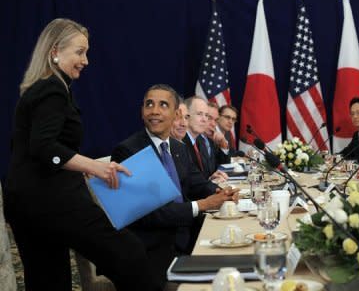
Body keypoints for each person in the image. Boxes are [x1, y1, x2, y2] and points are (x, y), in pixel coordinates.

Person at [4, 18, 160, 291]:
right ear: (54, 51)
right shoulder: (52, 89)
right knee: (128, 253)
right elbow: (44, 147)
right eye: (79, 52)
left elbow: (33, 147)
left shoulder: (46, 88)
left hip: (28, 203)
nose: (85, 60)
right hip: (50, 201)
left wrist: (81, 166)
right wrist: (95, 167)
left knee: (49, 281)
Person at [111, 84, 238, 285]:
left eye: (163, 105)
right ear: (142, 112)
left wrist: (223, 192)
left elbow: (198, 184)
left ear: (175, 113)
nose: (154, 110)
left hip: (184, 236)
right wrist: (204, 205)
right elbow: (152, 213)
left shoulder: (178, 148)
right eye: (149, 104)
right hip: (151, 249)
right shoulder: (129, 150)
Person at [183, 96, 228, 180]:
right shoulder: (180, 143)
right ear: (186, 116)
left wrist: (210, 180)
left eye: (206, 115)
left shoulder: (198, 142)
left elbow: (198, 179)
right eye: (199, 114)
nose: (204, 119)